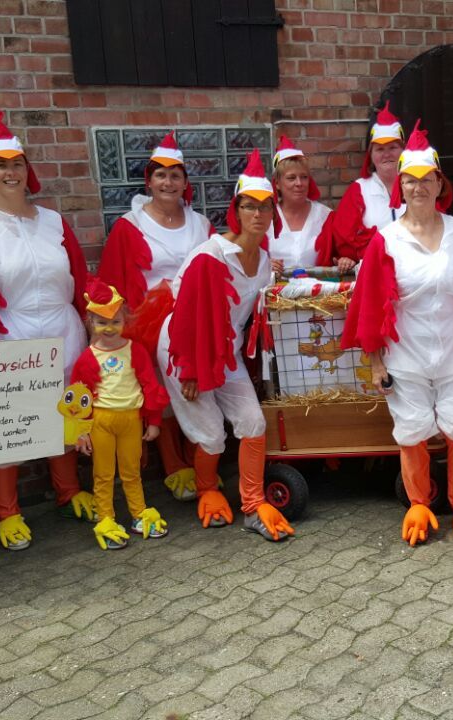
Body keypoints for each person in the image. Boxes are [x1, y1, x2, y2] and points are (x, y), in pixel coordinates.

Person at [343, 121, 453, 548]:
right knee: (412, 429)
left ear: (439, 183)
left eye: (426, 179)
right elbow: (371, 305)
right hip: (406, 357)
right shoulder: (386, 240)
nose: (418, 187)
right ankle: (418, 502)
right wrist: (376, 362)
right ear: (401, 186)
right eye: (410, 180)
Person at [0, 111, 92, 551]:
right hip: (11, 334)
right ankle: (7, 512)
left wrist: (95, 315)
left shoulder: (53, 221)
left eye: (17, 164)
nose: (10, 172)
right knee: (7, 427)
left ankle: (67, 491)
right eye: (1, 165)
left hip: (65, 329)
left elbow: (80, 274)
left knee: (67, 414)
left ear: (28, 169)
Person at [159, 148, 295, 542]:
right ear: (236, 210)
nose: (258, 214)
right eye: (249, 206)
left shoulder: (264, 259)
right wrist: (189, 370)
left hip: (224, 351)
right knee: (211, 434)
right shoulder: (211, 257)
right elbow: (186, 316)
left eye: (265, 207)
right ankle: (208, 490)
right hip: (185, 349)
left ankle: (252, 504)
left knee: (252, 421)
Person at [97, 131, 211, 503]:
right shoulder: (129, 226)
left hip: (194, 318)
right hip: (149, 323)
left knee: (196, 387)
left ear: (185, 182)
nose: (168, 182)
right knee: (162, 392)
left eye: (175, 175)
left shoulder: (201, 225)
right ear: (149, 181)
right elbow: (112, 280)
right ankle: (174, 465)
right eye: (160, 175)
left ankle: (201, 460)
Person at [70, 280, 170, 550]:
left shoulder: (135, 351)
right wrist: (80, 432)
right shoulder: (87, 358)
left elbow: (150, 386)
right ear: (91, 323)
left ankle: (138, 514)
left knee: (131, 471)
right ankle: (105, 518)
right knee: (103, 474)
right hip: (101, 422)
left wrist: (154, 421)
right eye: (101, 322)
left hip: (131, 420)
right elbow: (78, 397)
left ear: (125, 320)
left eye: (115, 321)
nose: (109, 328)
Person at [320, 101, 406, 271]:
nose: (387, 154)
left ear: (403, 150)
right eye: (379, 149)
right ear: (371, 155)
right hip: (374, 272)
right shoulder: (359, 190)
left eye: (393, 147)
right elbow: (344, 239)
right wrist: (352, 257)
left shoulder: (417, 185)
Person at [267, 135, 333, 275]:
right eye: (291, 178)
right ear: (277, 183)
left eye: (304, 177)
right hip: (275, 288)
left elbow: (338, 255)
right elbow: (250, 258)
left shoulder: (325, 216)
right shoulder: (266, 217)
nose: (299, 183)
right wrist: (264, 265)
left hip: (319, 288)